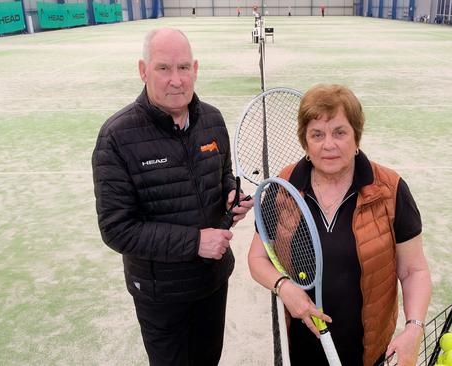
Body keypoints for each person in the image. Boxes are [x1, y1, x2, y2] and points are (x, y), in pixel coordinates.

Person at [92, 28, 253, 365]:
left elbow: (223, 173)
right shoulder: (116, 136)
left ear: (195, 68)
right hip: (160, 294)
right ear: (143, 70)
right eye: (163, 68)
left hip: (212, 282)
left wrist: (230, 194)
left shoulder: (212, 119)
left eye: (183, 68)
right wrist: (195, 241)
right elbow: (117, 229)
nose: (176, 80)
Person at [247, 84, 431, 366]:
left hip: (368, 352)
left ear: (356, 138)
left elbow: (413, 269)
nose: (328, 145)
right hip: (300, 348)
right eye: (317, 135)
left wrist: (414, 326)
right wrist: (283, 287)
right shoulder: (284, 187)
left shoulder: (390, 189)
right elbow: (258, 259)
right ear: (305, 142)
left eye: (340, 132)